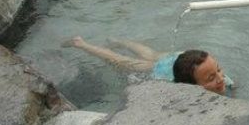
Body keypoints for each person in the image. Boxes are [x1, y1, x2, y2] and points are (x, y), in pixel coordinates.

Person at [65, 37, 232, 95]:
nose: (220, 78)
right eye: (212, 78)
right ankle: (80, 43)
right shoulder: (171, 82)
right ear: (191, 87)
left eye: (219, 70)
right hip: (166, 66)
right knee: (123, 62)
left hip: (190, 59)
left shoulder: (222, 78)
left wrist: (212, 74)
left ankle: (119, 41)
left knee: (151, 53)